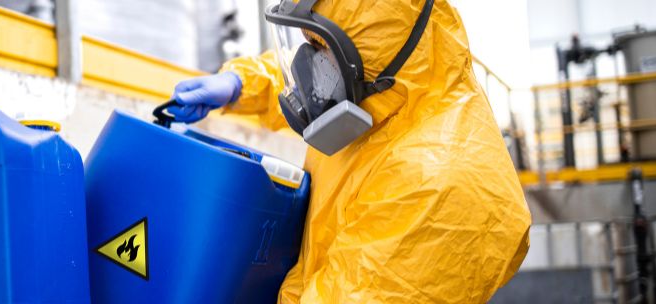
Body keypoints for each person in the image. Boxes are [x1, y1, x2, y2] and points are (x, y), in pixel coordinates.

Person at [168, 0, 531, 302]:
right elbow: (327, 71)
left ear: (374, 58)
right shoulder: (377, 98)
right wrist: (239, 83)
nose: (312, 65)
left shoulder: (435, 185)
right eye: (312, 44)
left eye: (321, 49)